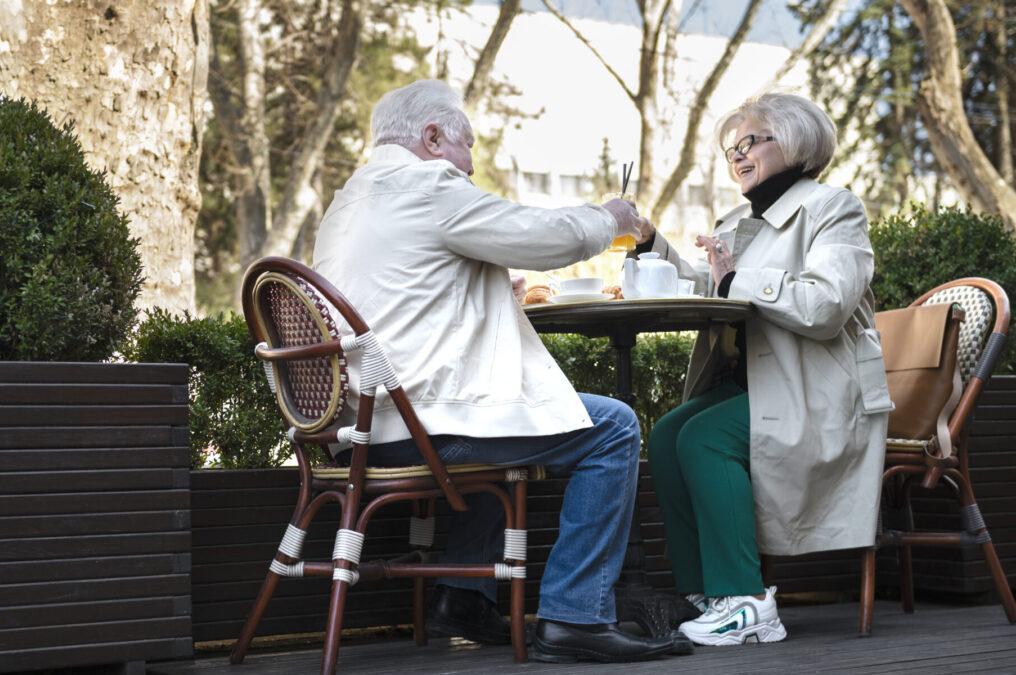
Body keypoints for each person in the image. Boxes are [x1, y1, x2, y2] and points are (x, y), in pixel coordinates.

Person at [312, 79, 675, 663]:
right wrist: (609, 218)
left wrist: (475, 287)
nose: (471, 165)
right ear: (431, 137)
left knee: (500, 415)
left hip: (354, 429)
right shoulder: (427, 184)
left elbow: (401, 289)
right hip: (417, 426)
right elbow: (539, 236)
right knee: (613, 426)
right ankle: (574, 618)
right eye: (468, 147)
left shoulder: (352, 198)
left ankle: (463, 598)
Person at [641, 92, 891, 646]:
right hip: (760, 387)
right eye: (732, 148)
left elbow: (825, 305)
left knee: (703, 439)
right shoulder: (737, 220)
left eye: (750, 141)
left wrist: (736, 280)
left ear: (794, 141)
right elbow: (713, 289)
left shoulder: (834, 208)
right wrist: (647, 243)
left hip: (819, 394)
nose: (737, 155)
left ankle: (749, 603)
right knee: (665, 435)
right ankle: (708, 592)